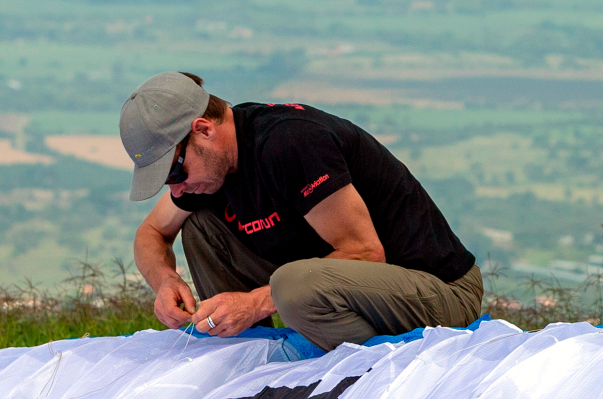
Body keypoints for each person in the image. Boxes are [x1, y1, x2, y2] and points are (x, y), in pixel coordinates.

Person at [122, 71, 482, 351]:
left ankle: (365, 373)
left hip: (438, 293)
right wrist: (165, 282)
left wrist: (254, 302)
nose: (176, 188)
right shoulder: (214, 165)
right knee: (201, 227)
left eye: (173, 172)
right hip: (351, 287)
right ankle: (250, 354)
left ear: (203, 130)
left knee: (291, 287)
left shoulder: (289, 144)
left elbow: (367, 254)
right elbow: (151, 233)